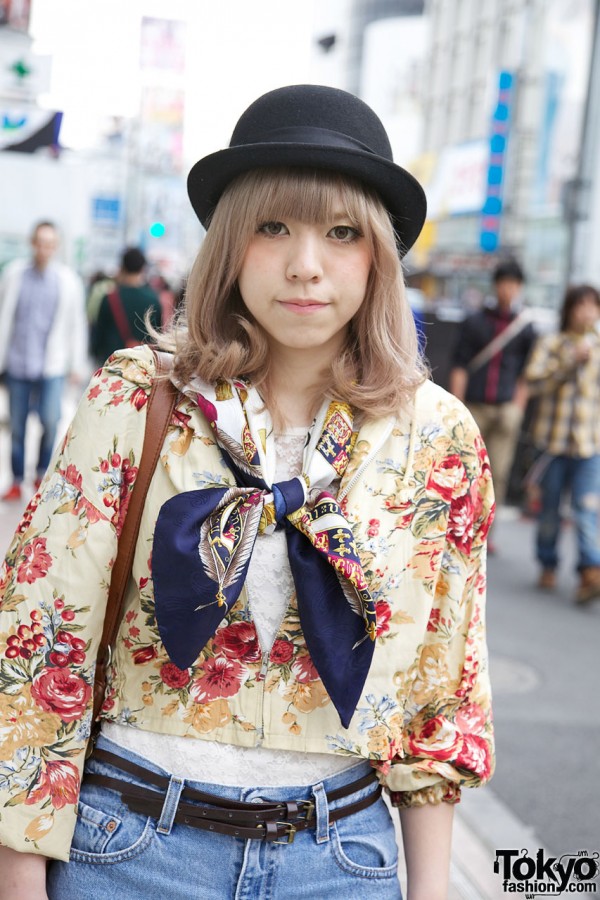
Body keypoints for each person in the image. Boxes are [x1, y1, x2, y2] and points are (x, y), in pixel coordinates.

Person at [0, 85, 495, 900]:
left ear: (377, 255)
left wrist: (431, 890)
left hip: (342, 860)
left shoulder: (437, 437)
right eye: (274, 227)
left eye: (341, 233)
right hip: (127, 847)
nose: (307, 263)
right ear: (231, 245)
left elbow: (446, 688)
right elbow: (39, 645)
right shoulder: (137, 398)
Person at [0, 220, 87, 502]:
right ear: (32, 243)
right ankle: (15, 479)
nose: (44, 249)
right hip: (17, 363)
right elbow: (5, 319)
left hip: (52, 365)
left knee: (51, 421)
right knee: (17, 425)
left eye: (50, 244)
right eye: (40, 242)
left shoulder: (68, 281)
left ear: (56, 246)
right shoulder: (14, 275)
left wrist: (76, 364)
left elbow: (76, 325)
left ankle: (39, 475)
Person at [449, 259, 535, 542]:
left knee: (497, 473)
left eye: (514, 284)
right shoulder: (476, 321)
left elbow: (527, 372)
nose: (508, 289)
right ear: (496, 285)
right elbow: (460, 364)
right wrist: (458, 406)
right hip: (475, 406)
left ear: (519, 288)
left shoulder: (524, 328)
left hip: (506, 407)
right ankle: (459, 528)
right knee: (465, 469)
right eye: (504, 283)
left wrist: (518, 407)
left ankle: (486, 534)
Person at [524, 283, 600, 603]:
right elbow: (534, 380)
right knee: (550, 512)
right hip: (551, 445)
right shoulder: (552, 343)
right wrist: (570, 360)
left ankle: (590, 571)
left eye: (593, 306)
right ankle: (548, 563)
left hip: (589, 445)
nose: (587, 312)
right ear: (569, 309)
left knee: (587, 509)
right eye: (581, 305)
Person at [90, 247, 162, 365]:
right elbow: (157, 336)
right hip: (143, 365)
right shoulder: (153, 299)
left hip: (114, 363)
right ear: (143, 268)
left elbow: (99, 335)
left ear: (122, 267)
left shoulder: (109, 298)